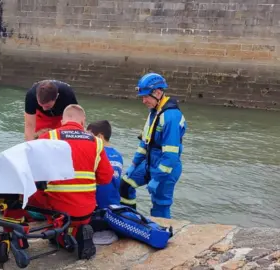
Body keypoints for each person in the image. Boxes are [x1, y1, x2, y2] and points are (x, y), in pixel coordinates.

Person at [13, 104, 114, 260]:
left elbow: (30, 172)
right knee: (77, 215)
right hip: (86, 210)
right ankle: (77, 231)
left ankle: (58, 234)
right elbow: (106, 178)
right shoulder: (97, 142)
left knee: (33, 191)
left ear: (62, 121)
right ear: (83, 122)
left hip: (58, 210)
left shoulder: (49, 137)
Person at [120, 73, 186, 219]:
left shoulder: (170, 117)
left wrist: (157, 178)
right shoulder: (155, 113)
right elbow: (145, 142)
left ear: (158, 92)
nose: (143, 101)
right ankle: (129, 219)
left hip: (166, 168)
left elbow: (171, 155)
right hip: (150, 162)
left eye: (146, 97)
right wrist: (134, 164)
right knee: (125, 185)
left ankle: (162, 234)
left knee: (160, 204)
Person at [86, 120, 124, 209]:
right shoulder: (118, 155)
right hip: (114, 205)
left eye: (89, 136)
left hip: (98, 206)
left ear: (100, 137)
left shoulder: (96, 154)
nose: (87, 140)